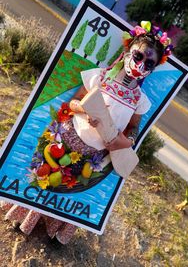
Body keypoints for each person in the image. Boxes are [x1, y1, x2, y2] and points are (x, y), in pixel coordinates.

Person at [0, 21, 173, 244]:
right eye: (138, 56)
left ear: (153, 68)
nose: (141, 65)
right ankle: (23, 216)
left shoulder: (139, 100)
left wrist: (126, 141)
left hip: (94, 155)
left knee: (71, 189)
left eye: (149, 63)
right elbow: (73, 103)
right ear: (127, 51)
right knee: (48, 180)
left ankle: (55, 228)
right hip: (69, 138)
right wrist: (86, 110)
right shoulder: (99, 77)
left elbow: (133, 128)